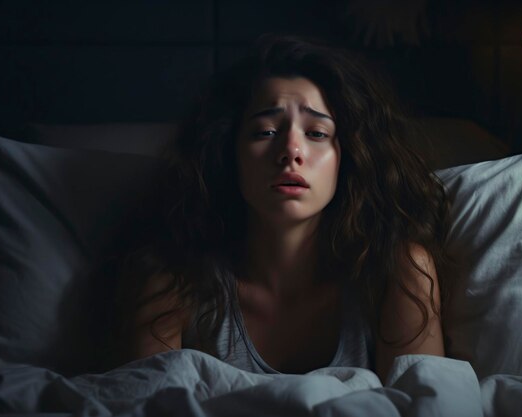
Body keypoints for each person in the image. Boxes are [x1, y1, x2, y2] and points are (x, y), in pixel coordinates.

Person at [109, 33, 451, 384]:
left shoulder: (397, 272)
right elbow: (144, 406)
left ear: (347, 158)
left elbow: (425, 404)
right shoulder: (174, 279)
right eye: (266, 131)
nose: (291, 150)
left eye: (317, 133)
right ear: (230, 154)